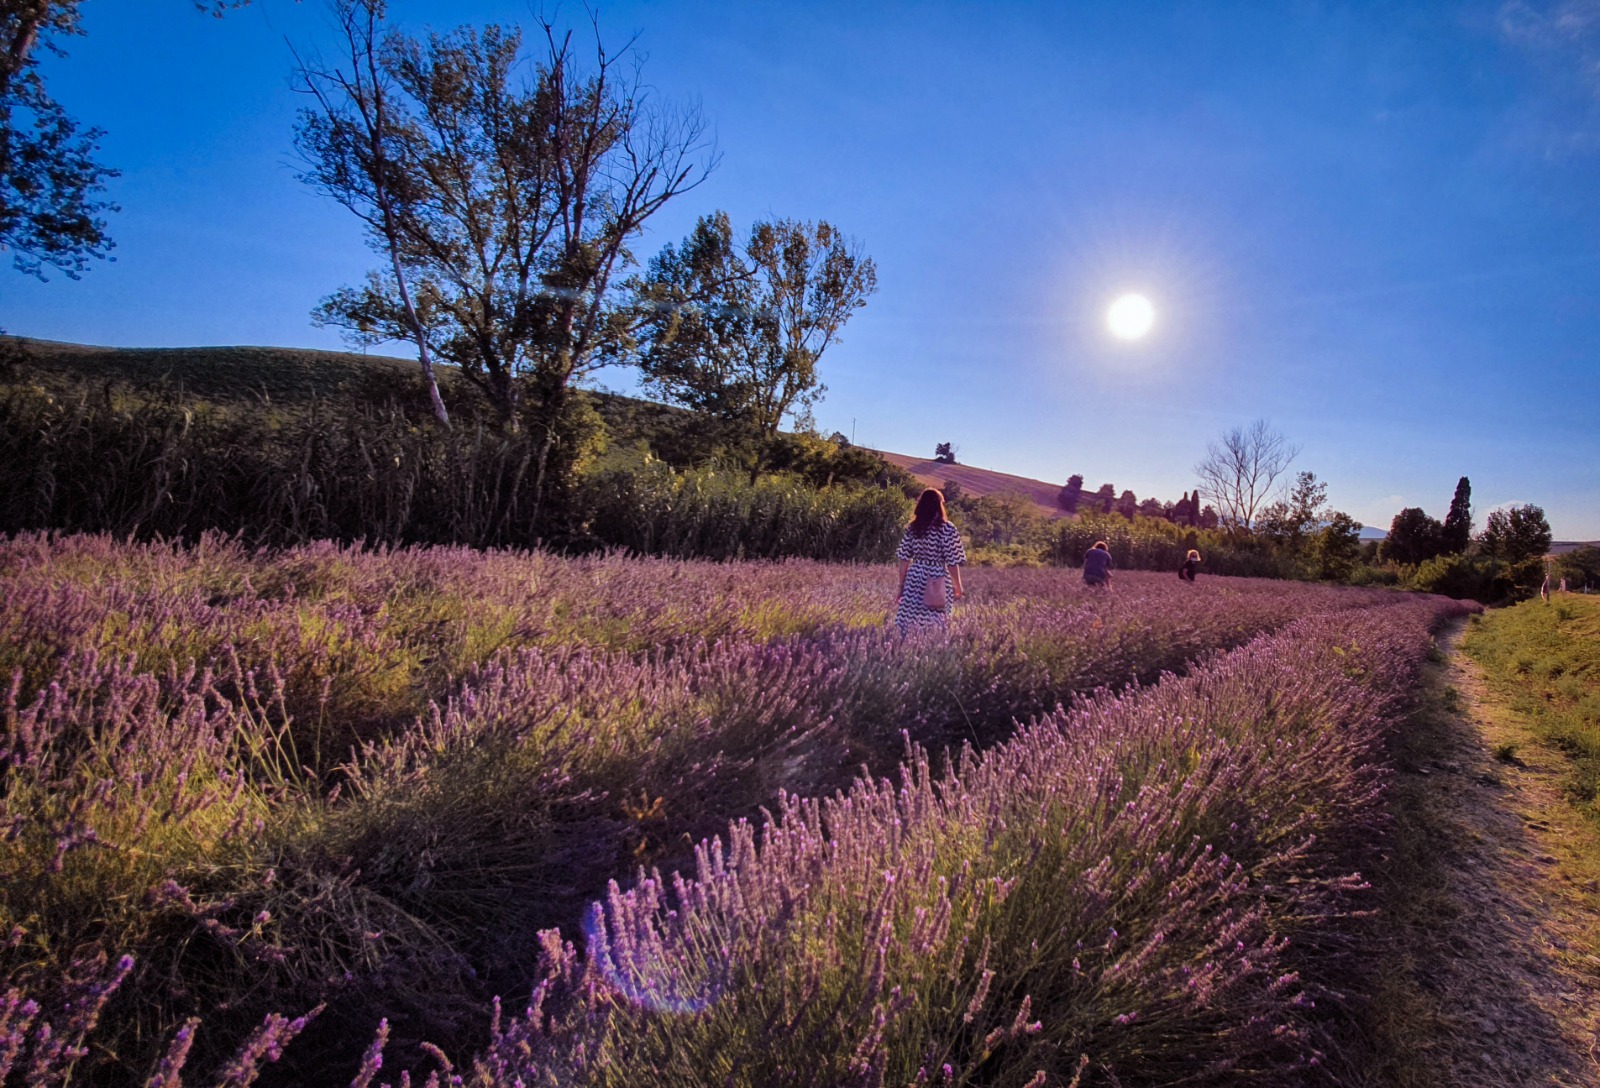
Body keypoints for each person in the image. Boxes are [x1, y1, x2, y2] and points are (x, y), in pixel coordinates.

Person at [894, 488, 966, 633]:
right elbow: (952, 562)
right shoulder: (947, 529)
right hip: (937, 577)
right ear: (940, 505)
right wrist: (958, 586)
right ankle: (931, 646)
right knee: (936, 617)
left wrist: (901, 585)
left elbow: (904, 559)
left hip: (914, 576)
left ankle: (905, 644)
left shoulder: (913, 528)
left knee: (909, 617)